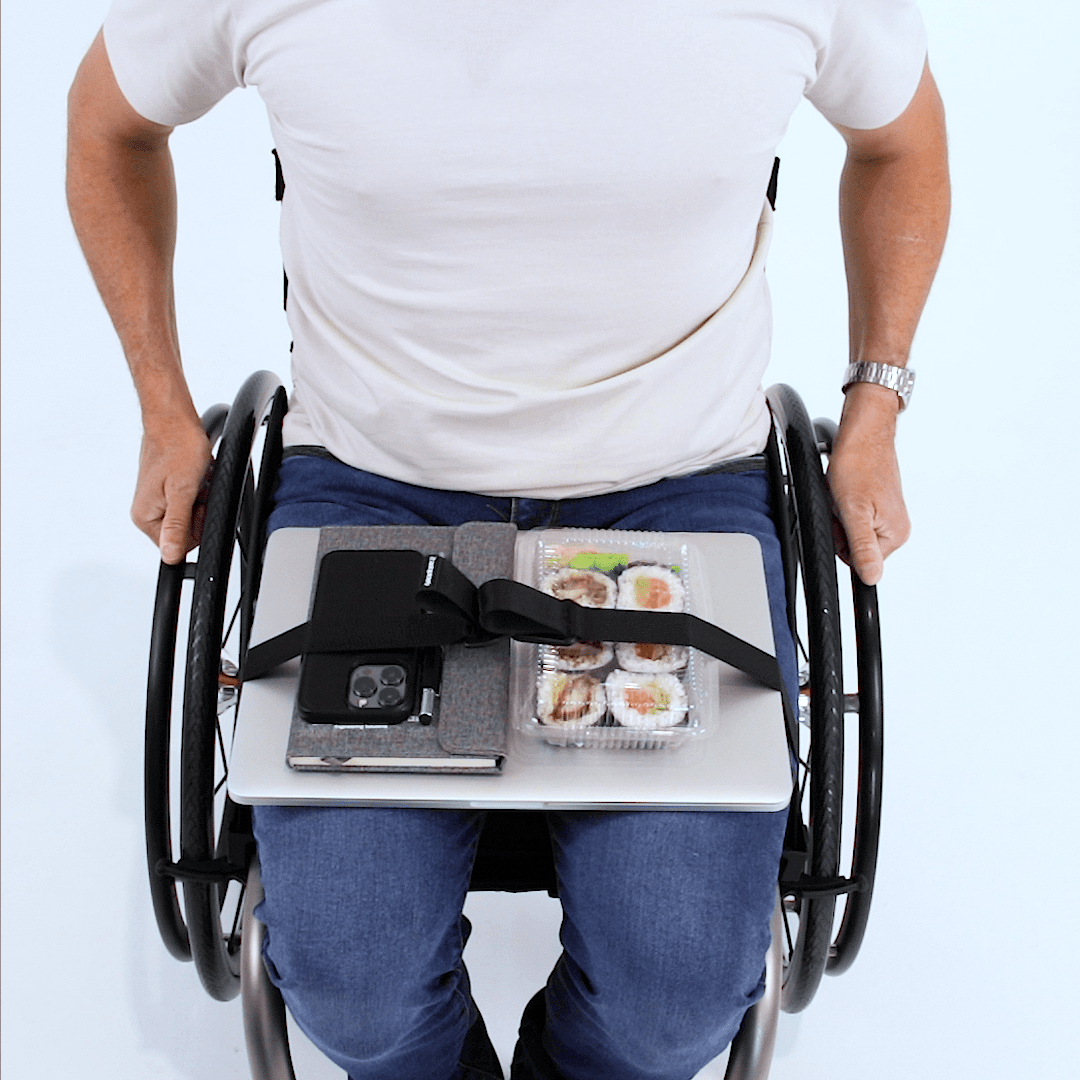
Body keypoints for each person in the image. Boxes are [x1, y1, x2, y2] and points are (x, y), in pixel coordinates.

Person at [67, 2, 949, 1077]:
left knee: (671, 1001)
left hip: (672, 490)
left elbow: (900, 140)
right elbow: (109, 123)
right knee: (354, 990)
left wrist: (876, 406)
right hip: (375, 489)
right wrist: (163, 407)